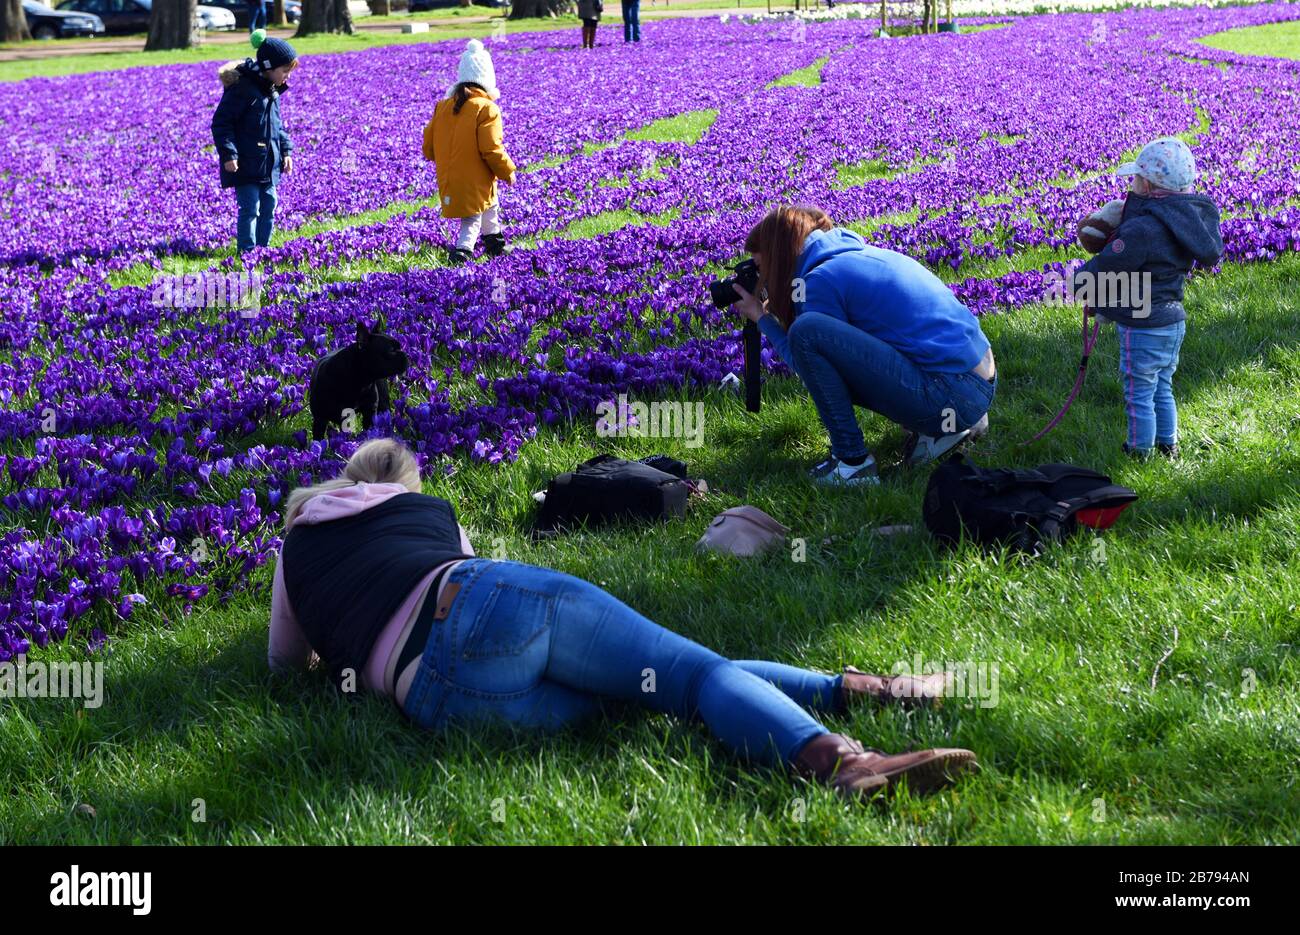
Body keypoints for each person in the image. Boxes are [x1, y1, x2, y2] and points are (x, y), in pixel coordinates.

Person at [268, 438, 979, 800]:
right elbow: (465, 572)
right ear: (397, 486)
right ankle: (842, 755)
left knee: (638, 702)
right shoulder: (424, 510)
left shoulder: (296, 545)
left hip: (435, 697)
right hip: (476, 597)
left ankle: (857, 691)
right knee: (685, 675)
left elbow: (284, 659)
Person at [733, 205, 996, 486]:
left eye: (760, 267)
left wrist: (762, 319)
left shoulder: (819, 280)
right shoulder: (857, 255)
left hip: (954, 394)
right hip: (978, 384)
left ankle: (853, 463)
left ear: (779, 256)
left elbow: (807, 364)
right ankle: (946, 429)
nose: (760, 279)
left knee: (806, 332)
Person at [1071, 137, 1223, 459]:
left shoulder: (1142, 230)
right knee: (1162, 386)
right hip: (1173, 321)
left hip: (1143, 325)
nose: (1131, 184)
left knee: (1138, 391)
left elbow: (1109, 264)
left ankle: (1139, 451)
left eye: (1135, 178)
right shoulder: (1183, 222)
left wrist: (1080, 282)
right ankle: (1169, 445)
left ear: (1148, 186)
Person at [422, 39, 516, 266]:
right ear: (487, 80)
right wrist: (507, 171)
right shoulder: (487, 108)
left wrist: (443, 159)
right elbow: (491, 148)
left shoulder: (443, 105)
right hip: (475, 178)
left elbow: (428, 145)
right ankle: (460, 255)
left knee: (490, 206)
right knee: (472, 218)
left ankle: (494, 243)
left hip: (448, 177)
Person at [211, 30, 297, 254]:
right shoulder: (243, 90)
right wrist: (229, 154)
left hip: (269, 164)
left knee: (269, 207)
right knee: (250, 209)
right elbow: (222, 123)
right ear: (269, 68)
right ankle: (247, 252)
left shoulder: (271, 91)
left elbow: (277, 126)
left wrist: (286, 151)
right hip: (246, 163)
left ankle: (263, 250)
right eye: (284, 71)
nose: (287, 76)